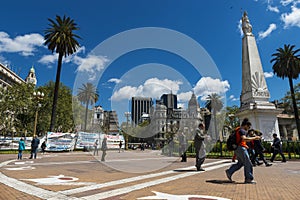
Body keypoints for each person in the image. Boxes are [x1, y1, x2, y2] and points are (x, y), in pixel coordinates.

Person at [225, 118, 261, 184]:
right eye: (248, 127)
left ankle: (229, 171)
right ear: (245, 125)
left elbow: (240, 140)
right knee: (248, 163)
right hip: (241, 148)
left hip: (237, 148)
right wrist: (255, 138)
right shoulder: (242, 130)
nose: (248, 128)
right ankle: (248, 179)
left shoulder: (237, 129)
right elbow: (245, 139)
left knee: (240, 163)